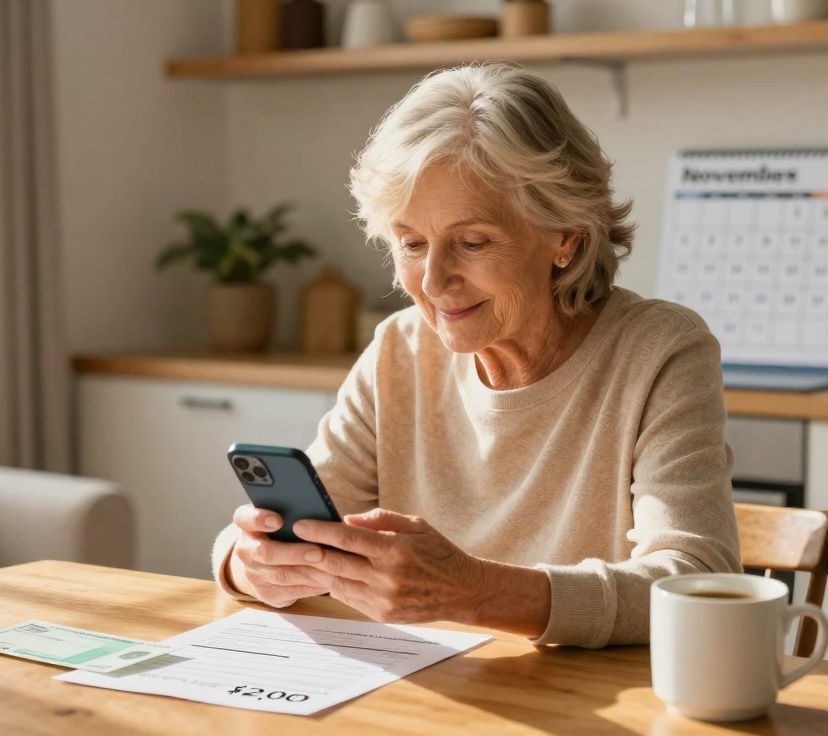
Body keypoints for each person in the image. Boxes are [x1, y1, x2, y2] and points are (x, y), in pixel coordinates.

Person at [210, 62, 741, 647]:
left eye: (472, 242)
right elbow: (280, 535)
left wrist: (473, 591)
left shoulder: (660, 351)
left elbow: (696, 585)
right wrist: (248, 561)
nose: (434, 282)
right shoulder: (399, 348)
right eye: (412, 243)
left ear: (565, 235)